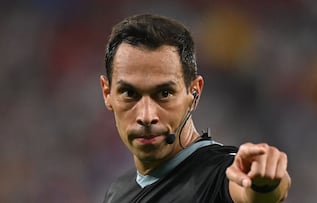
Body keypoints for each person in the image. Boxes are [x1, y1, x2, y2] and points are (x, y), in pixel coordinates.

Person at [100, 14, 291, 203]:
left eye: (165, 93)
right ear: (107, 93)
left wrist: (264, 183)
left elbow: (251, 191)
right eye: (129, 93)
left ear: (194, 92)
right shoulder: (118, 192)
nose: (147, 116)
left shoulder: (219, 174)